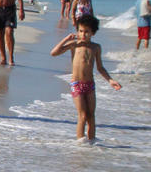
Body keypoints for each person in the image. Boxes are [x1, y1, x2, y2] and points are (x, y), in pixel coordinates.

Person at [50, 14, 122, 142]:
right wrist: (66, 39)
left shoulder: (96, 48)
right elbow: (54, 53)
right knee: (82, 115)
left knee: (91, 116)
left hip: (90, 85)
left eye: (87, 32)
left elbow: (100, 68)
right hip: (76, 84)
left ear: (93, 33)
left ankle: (92, 142)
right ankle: (80, 143)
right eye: (81, 31)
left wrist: (111, 80)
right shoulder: (74, 45)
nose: (83, 34)